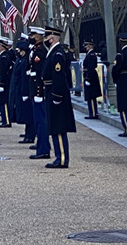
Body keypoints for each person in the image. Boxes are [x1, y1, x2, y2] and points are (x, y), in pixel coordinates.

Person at [41, 26, 76, 169]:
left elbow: (59, 76)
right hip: (50, 91)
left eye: (46, 37)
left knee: (58, 127)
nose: (45, 40)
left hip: (56, 94)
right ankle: (59, 156)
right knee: (54, 126)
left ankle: (61, 158)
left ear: (52, 38)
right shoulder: (53, 52)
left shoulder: (57, 54)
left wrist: (56, 95)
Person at [28, 27, 51, 160]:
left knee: (41, 121)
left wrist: (39, 92)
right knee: (38, 121)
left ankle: (43, 149)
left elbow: (41, 75)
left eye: (34, 35)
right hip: (35, 91)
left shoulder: (41, 51)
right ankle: (42, 146)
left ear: (39, 36)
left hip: (39, 92)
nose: (32, 37)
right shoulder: (36, 50)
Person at [11, 40, 35, 143]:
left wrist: (25, 93)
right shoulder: (21, 60)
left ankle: (30, 135)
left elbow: (25, 78)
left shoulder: (25, 61)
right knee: (25, 114)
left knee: (28, 114)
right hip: (19, 90)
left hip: (24, 91)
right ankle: (28, 133)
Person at [82, 40, 101, 119]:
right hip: (89, 75)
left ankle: (93, 113)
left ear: (89, 46)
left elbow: (91, 67)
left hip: (91, 77)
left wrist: (88, 78)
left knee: (91, 96)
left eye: (86, 46)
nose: (86, 47)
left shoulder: (91, 55)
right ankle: (92, 112)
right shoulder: (89, 54)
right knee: (90, 96)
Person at [0, 38, 12, 128]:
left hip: (4, 83)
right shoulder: (1, 56)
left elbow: (3, 71)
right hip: (1, 81)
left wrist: (1, 83)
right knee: (1, 101)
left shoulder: (4, 57)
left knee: (4, 102)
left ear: (2, 47)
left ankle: (7, 120)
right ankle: (4, 119)